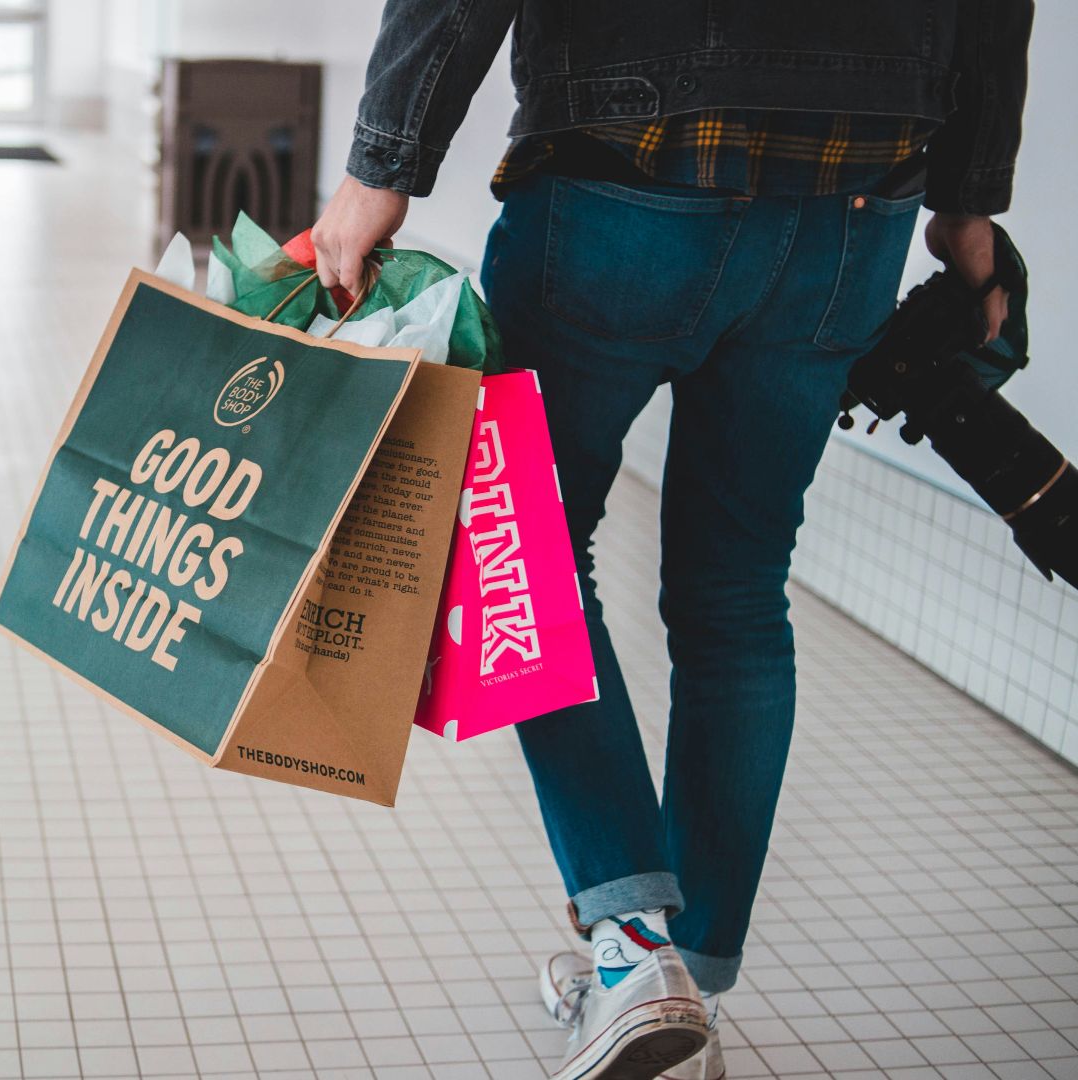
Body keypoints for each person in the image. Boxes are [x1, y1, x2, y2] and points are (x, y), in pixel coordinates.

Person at [311, 2, 1034, 1078]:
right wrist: (969, 211)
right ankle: (688, 973)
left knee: (533, 554)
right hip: (855, 204)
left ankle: (636, 954)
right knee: (738, 592)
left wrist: (381, 168)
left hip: (622, 178)